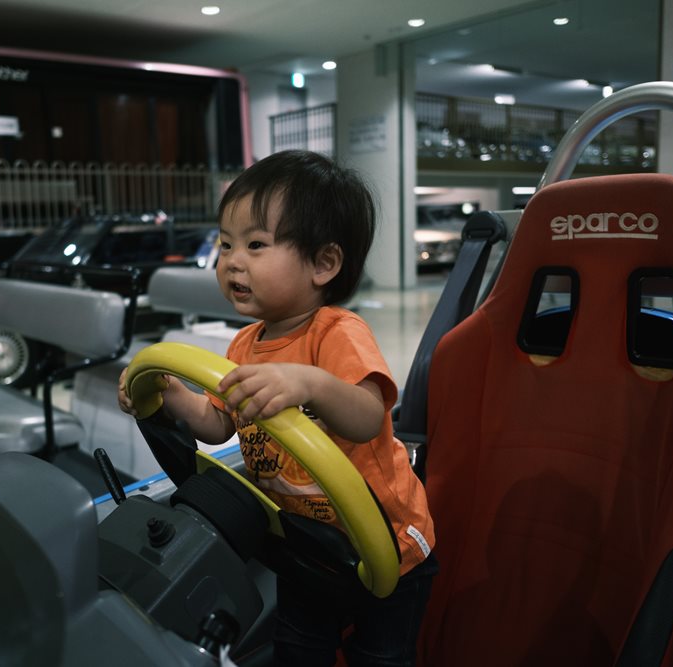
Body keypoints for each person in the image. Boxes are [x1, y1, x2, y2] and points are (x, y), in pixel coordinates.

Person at [118, 150, 436, 666]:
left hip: (387, 546)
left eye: (256, 244)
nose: (232, 260)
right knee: (298, 649)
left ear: (323, 263)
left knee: (382, 655)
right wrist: (172, 396)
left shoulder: (336, 333)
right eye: (225, 244)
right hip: (306, 547)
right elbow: (219, 425)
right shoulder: (244, 343)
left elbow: (367, 416)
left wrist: (310, 383)